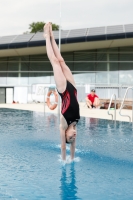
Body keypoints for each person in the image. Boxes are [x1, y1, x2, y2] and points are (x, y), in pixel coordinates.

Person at [43, 22, 80, 161]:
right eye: (73, 137)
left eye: (70, 137)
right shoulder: (75, 124)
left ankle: (47, 36)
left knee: (54, 61)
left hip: (64, 90)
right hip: (73, 87)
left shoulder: (63, 125)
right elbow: (73, 146)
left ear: (65, 134)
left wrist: (65, 161)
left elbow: (64, 147)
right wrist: (73, 158)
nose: (74, 135)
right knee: (61, 60)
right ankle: (52, 36)